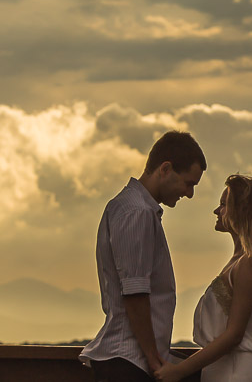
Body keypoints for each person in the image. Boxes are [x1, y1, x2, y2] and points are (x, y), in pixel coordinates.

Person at [154, 174, 252, 382]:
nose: (216, 210)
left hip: (237, 372)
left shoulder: (249, 264)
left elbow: (234, 335)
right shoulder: (240, 262)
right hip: (225, 370)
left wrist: (178, 371)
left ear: (242, 211)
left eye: (223, 204)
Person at [80, 131, 207, 382]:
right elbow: (135, 293)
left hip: (129, 360)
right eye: (188, 183)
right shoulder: (137, 212)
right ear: (165, 169)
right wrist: (153, 360)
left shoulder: (131, 208)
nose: (190, 193)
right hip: (129, 362)